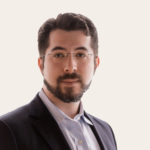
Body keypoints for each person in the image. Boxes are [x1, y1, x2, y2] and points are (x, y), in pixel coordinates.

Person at [0, 13, 117, 150]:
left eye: (80, 55)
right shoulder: (8, 130)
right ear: (41, 64)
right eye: (59, 55)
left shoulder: (106, 131)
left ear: (95, 64)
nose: (70, 67)